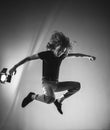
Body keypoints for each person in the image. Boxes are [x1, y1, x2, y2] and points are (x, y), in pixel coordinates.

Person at [9, 31, 96, 114]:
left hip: (56, 84)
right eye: (60, 49)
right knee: (50, 99)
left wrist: (88, 56)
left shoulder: (61, 56)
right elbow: (28, 58)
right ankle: (32, 96)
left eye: (63, 51)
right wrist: (14, 67)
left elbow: (75, 55)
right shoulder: (46, 54)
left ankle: (59, 101)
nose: (61, 52)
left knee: (77, 85)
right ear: (55, 46)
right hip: (46, 83)